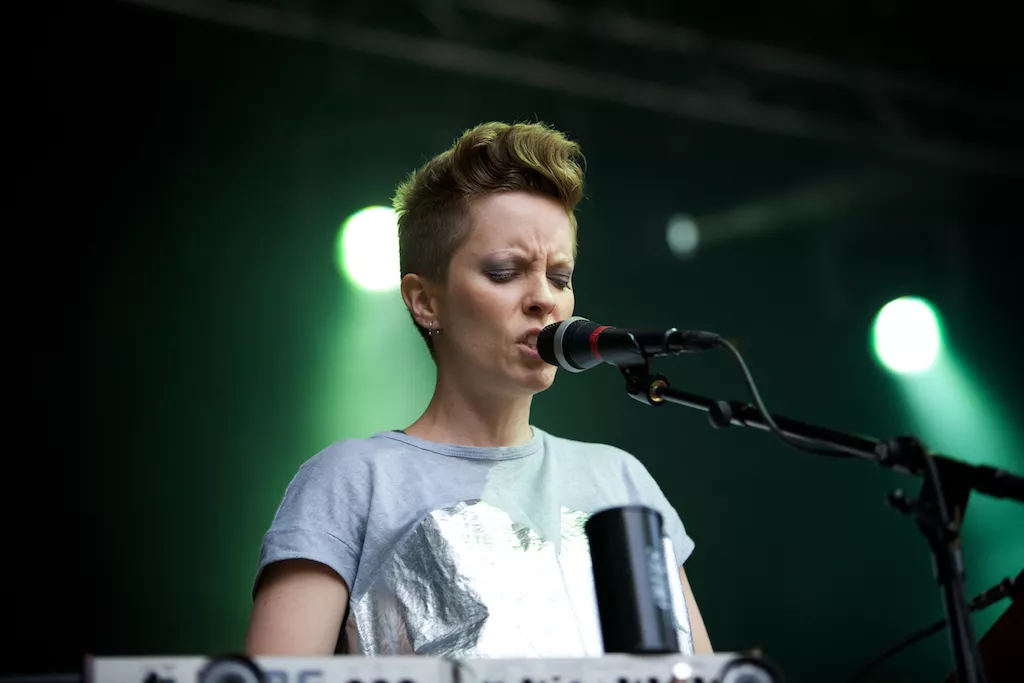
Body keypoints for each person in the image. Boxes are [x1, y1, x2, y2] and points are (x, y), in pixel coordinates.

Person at [244, 121, 712, 658]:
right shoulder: (353, 480)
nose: (545, 299)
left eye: (560, 278)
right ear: (425, 302)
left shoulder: (619, 478)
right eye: (505, 271)